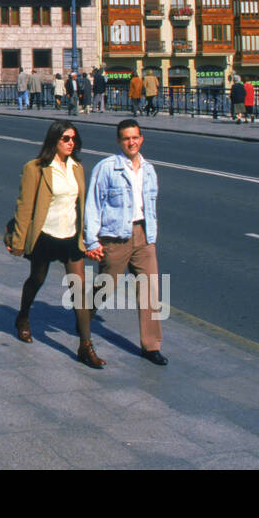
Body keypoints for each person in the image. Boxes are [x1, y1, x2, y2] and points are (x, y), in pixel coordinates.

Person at [7, 120, 104, 368]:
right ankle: (23, 316)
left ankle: (85, 345)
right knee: (36, 280)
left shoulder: (77, 168)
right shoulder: (36, 168)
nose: (71, 143)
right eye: (66, 139)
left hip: (71, 237)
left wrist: (88, 237)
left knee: (78, 290)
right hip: (45, 236)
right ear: (54, 141)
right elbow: (24, 206)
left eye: (74, 139)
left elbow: (81, 205)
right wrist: (18, 241)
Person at [85, 119, 166, 366]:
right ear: (119, 141)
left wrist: (151, 235)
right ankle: (84, 317)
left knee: (150, 290)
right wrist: (91, 241)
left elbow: (149, 205)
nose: (131, 142)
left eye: (135, 137)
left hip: (143, 235)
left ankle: (151, 346)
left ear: (141, 139)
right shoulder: (107, 167)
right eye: (126, 138)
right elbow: (93, 204)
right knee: (107, 285)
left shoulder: (149, 169)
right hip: (115, 237)